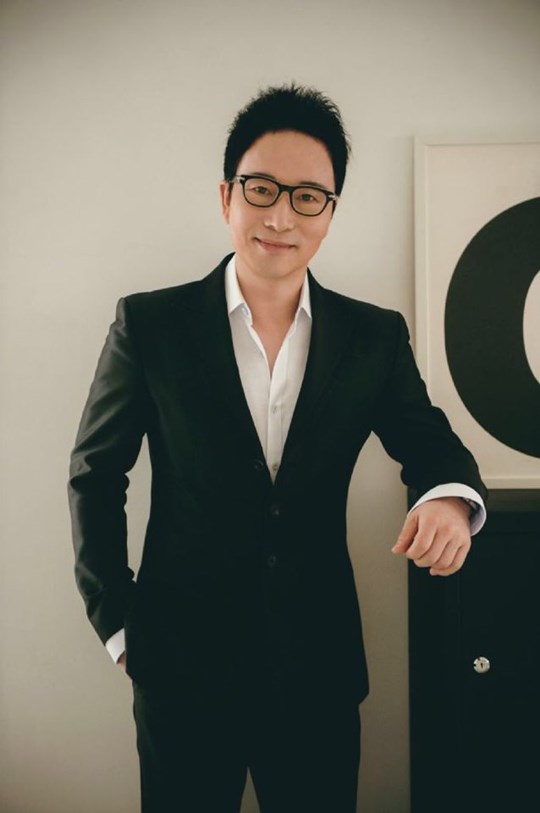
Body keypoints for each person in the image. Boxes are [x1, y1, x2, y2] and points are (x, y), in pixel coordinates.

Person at [68, 83, 487, 813]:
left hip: (317, 670)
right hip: (178, 666)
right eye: (261, 189)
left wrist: (450, 499)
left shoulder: (373, 337)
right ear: (226, 197)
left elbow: (429, 442)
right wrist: (118, 624)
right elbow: (95, 475)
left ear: (330, 212)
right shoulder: (150, 326)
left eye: (307, 197)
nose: (280, 216)